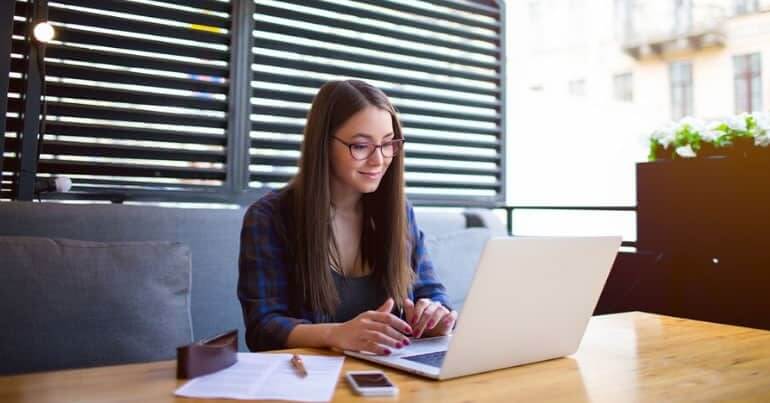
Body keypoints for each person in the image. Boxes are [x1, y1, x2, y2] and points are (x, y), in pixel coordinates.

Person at [238, 79, 457, 356]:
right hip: (312, 383)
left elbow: (432, 292)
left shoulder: (399, 212)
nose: (379, 160)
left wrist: (436, 314)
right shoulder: (269, 218)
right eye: (361, 146)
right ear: (323, 144)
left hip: (397, 375)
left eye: (389, 144)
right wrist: (336, 334)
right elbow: (262, 328)